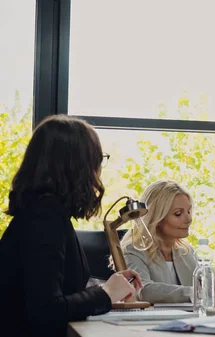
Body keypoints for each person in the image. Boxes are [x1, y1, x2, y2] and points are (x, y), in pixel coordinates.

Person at [0, 115, 143, 337]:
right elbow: (46, 309)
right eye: (98, 159)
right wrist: (105, 293)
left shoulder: (43, 213)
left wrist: (107, 290)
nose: (99, 170)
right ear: (77, 166)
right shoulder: (44, 218)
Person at [121, 180, 196, 303]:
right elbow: (143, 290)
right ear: (157, 217)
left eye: (188, 211)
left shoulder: (186, 252)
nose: (189, 219)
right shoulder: (134, 250)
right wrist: (196, 293)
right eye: (178, 214)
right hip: (150, 321)